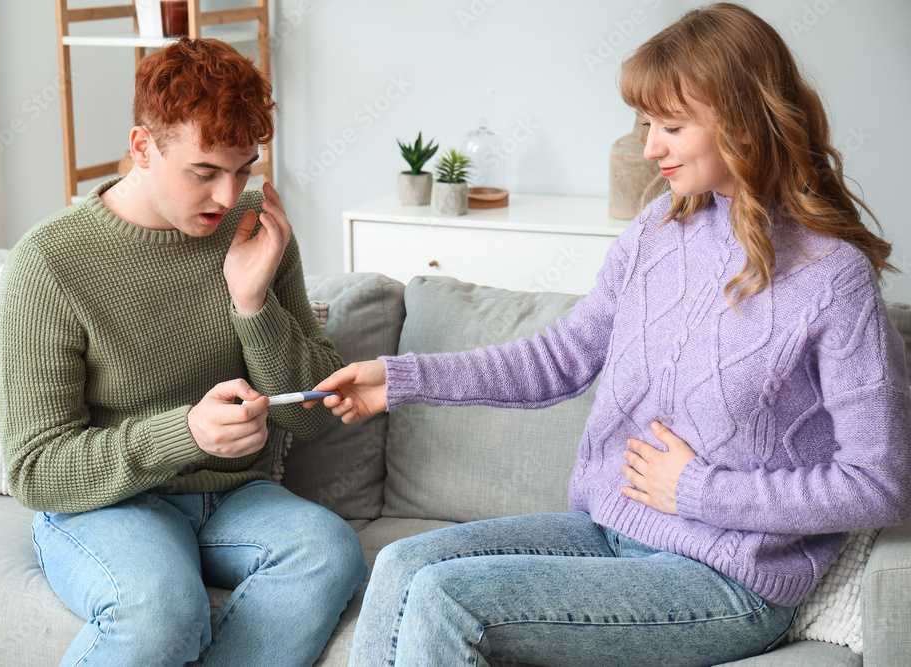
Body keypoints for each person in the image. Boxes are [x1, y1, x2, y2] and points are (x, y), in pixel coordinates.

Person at [308, 4, 911, 666]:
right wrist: (400, 378)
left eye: (672, 126)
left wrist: (699, 491)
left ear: (743, 126)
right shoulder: (661, 227)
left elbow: (880, 481)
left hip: (729, 579)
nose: (650, 147)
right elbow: (561, 357)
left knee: (449, 596)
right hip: (612, 530)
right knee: (400, 564)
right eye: (647, 123)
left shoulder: (834, 279)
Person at [0, 38, 366, 666]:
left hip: (236, 499)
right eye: (205, 171)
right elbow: (35, 470)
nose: (228, 194)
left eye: (244, 168)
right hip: (106, 504)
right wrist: (188, 433)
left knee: (330, 552)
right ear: (143, 147)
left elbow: (311, 413)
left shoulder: (252, 230)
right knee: (160, 607)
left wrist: (252, 304)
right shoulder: (50, 263)